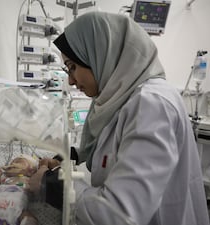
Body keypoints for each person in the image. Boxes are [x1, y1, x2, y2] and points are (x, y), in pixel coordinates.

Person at [28, 11, 210, 225]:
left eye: (73, 67)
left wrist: (51, 184)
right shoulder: (119, 98)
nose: (71, 80)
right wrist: (65, 158)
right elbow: (105, 144)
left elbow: (120, 214)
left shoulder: (152, 104)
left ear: (100, 54)